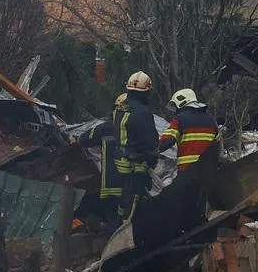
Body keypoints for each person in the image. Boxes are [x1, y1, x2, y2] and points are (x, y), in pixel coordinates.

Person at [79, 93, 127, 224]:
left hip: (112, 185)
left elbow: (83, 139)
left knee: (113, 218)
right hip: (135, 185)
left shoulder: (106, 128)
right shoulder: (142, 129)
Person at [116, 71, 157, 222]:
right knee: (137, 201)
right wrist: (153, 156)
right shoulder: (143, 113)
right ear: (145, 92)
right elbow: (151, 142)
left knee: (123, 201)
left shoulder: (119, 109)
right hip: (136, 166)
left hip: (118, 165)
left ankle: (118, 227)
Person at [159, 88, 219, 171]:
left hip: (187, 171)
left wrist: (150, 151)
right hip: (209, 171)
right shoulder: (210, 120)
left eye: (175, 106)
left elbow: (166, 141)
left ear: (181, 102)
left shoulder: (179, 119)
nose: (175, 110)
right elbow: (217, 143)